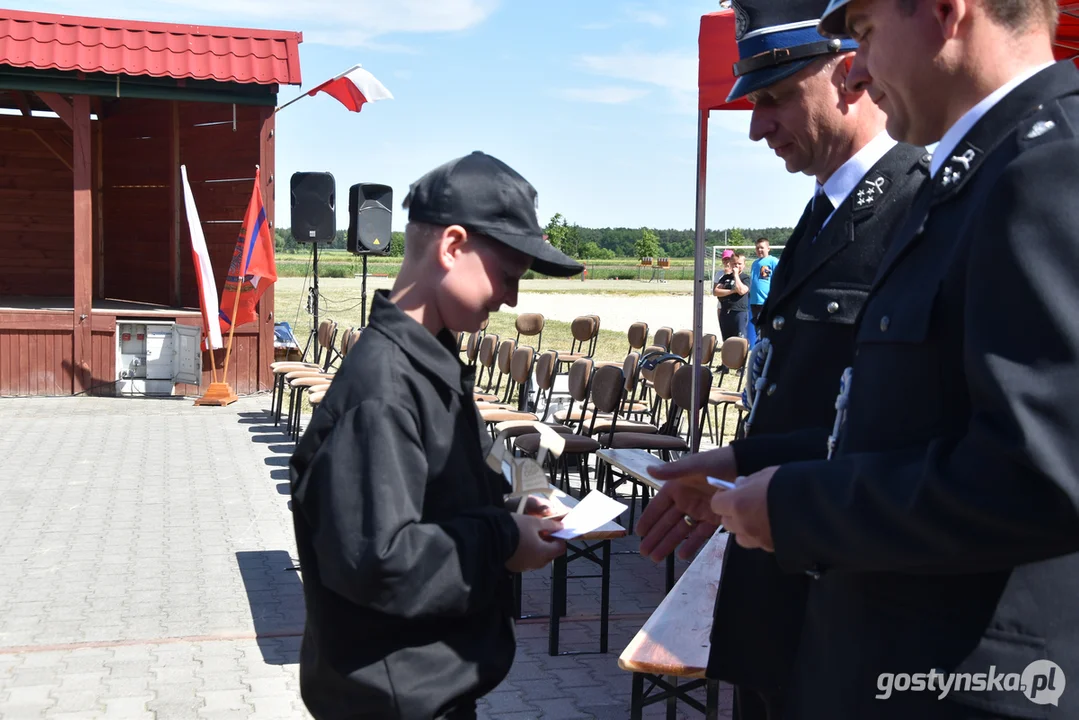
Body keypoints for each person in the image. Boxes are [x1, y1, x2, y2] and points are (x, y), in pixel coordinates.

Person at [646, 0, 1079, 717]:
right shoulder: (976, 175)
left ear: (945, 12)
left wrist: (793, 504)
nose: (862, 64)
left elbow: (1040, 473)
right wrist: (750, 464)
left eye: (867, 32)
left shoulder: (1047, 168)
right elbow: (902, 430)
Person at [637, 1, 928, 718]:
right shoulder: (826, 209)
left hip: (851, 600)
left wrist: (755, 473)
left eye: (774, 98)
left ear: (850, 76)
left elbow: (908, 427)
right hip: (782, 590)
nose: (756, 125)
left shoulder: (918, 204)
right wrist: (735, 464)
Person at [288, 151, 583, 720]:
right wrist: (503, 539)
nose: (512, 298)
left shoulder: (428, 365)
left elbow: (430, 505)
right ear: (452, 246)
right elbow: (382, 562)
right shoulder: (384, 390)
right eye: (508, 275)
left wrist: (509, 504)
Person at [713, 250, 751, 339]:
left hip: (739, 312)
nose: (736, 266)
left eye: (739, 264)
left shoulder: (745, 278)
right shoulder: (725, 277)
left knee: (739, 340)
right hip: (725, 311)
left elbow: (741, 290)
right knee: (727, 339)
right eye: (734, 263)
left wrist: (736, 275)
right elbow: (716, 291)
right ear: (730, 264)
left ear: (744, 265)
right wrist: (732, 291)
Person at [748, 237, 778, 329]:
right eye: (757, 248)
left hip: (766, 301)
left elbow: (779, 278)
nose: (759, 250)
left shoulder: (773, 261)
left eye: (762, 247)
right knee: (758, 328)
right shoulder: (754, 263)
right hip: (755, 301)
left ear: (768, 249)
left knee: (767, 328)